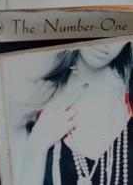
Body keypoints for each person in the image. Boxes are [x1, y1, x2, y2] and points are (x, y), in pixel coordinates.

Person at [14, 40, 133, 185]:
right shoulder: (34, 106)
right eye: (95, 20)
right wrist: (36, 146)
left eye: (116, 29)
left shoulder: (126, 105)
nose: (105, 42)